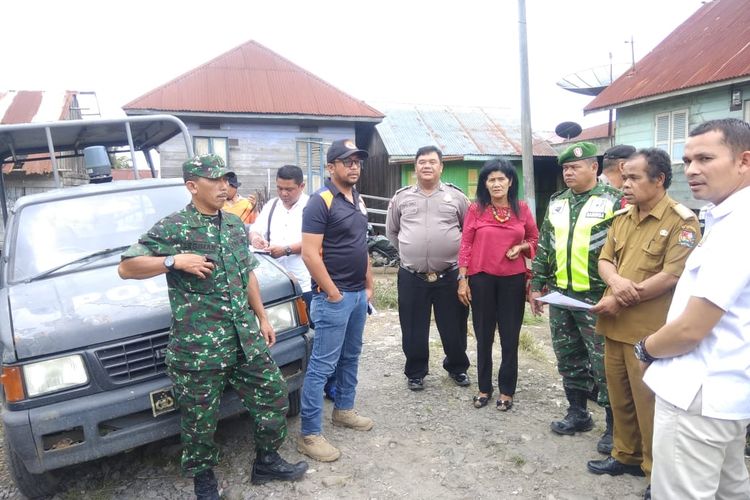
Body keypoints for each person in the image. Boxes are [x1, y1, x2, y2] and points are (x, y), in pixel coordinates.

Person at [117, 154, 307, 500]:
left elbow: (247, 271)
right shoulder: (175, 227)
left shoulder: (235, 225)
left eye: (226, 180)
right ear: (192, 186)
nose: (224, 187)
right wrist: (173, 261)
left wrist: (263, 317)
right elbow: (127, 266)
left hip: (244, 339)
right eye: (215, 181)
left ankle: (266, 460)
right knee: (199, 421)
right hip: (199, 349)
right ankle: (203, 481)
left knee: (274, 395)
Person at [640, 118, 750, 499]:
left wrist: (646, 349)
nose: (692, 170)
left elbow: (691, 328)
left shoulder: (738, 227)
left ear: (744, 161)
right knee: (730, 490)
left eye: (705, 158)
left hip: (698, 393)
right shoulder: (724, 217)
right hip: (727, 391)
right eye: (687, 160)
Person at [586, 148, 700, 497]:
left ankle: (656, 473)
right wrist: (617, 283)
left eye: (634, 177)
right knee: (620, 398)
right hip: (614, 326)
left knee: (650, 406)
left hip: (650, 334)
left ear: (659, 179)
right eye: (624, 177)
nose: (625, 184)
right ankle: (626, 454)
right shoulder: (622, 218)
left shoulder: (682, 222)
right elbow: (605, 260)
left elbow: (671, 276)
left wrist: (618, 293)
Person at [529, 141, 624, 454]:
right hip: (561, 295)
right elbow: (545, 244)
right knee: (568, 355)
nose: (568, 173)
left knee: (604, 363)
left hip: (598, 298)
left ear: (594, 168)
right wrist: (536, 284)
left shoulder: (614, 201)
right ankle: (578, 413)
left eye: (575, 167)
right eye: (565, 168)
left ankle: (615, 427)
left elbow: (624, 249)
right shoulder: (558, 202)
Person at [297, 139, 374, 462]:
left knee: (351, 356)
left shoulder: (357, 198)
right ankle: (309, 434)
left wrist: (369, 285)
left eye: (357, 161)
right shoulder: (320, 201)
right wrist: (332, 292)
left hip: (357, 295)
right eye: (346, 161)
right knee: (322, 365)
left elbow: (361, 243)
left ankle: (343, 409)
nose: (353, 166)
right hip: (334, 297)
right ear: (331, 167)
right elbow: (309, 253)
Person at [385, 145, 471, 392]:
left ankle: (457, 367)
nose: (427, 166)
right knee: (412, 327)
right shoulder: (401, 197)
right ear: (415, 167)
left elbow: (468, 233)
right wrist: (410, 250)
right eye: (422, 161)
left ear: (441, 167)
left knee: (454, 326)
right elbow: (392, 232)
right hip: (412, 275)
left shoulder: (457, 197)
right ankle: (416, 371)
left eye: (432, 161)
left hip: (450, 275)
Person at [456, 159, 538, 410]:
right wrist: (463, 279)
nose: (496, 183)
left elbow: (534, 238)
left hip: (513, 281)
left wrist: (522, 246)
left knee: (510, 336)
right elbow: (466, 245)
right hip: (481, 280)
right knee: (483, 335)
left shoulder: (521, 209)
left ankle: (507, 390)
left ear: (510, 181)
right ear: (485, 183)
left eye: (501, 178)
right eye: (491, 179)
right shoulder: (476, 209)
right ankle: (484, 388)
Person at [249, 165, 312, 311]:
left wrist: (286, 250)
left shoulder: (312, 206)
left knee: (311, 328)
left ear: (302, 186)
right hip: (276, 282)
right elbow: (255, 229)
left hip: (305, 281)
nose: (283, 193)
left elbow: (319, 240)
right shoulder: (272, 206)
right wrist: (256, 239)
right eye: (279, 188)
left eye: (289, 189)